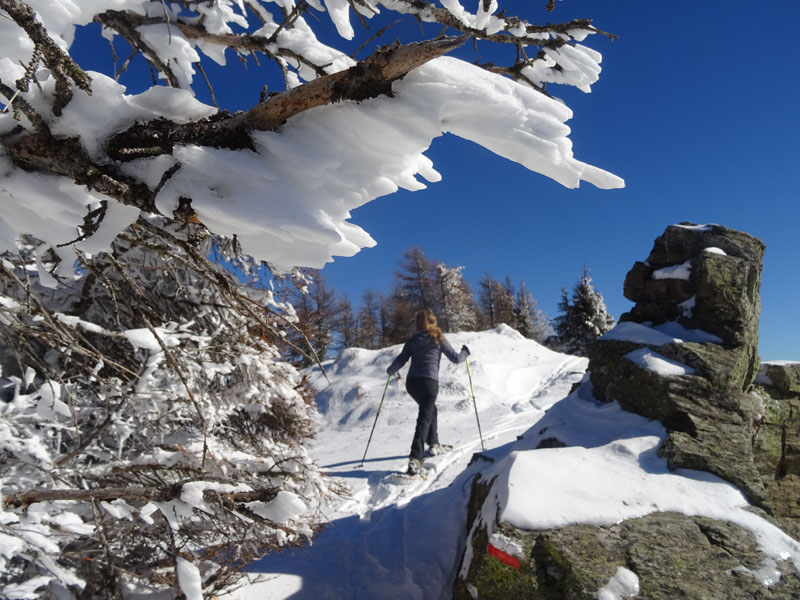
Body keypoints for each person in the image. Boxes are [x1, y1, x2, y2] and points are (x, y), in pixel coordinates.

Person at [386, 309, 470, 475]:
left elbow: (401, 360)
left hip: (412, 384)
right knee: (424, 418)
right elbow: (456, 358)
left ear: (417, 324)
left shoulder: (412, 340)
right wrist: (465, 353)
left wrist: (390, 370)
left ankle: (434, 444)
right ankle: (416, 458)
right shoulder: (438, 338)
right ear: (432, 322)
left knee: (431, 411)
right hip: (429, 383)